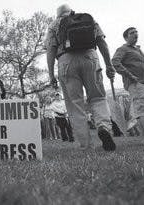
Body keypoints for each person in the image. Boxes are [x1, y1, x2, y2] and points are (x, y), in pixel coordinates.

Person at [46, 4, 116, 151]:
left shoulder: (54, 25)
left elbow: (50, 50)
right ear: (72, 12)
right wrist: (109, 65)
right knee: (97, 97)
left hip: (65, 61)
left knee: (74, 104)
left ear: (57, 15)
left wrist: (51, 74)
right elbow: (101, 42)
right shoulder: (87, 18)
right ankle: (103, 127)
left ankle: (86, 145)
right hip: (90, 57)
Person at [112, 27, 144, 144]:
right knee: (143, 109)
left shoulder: (139, 50)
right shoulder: (123, 49)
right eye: (132, 32)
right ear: (126, 37)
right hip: (136, 83)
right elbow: (115, 62)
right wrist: (130, 75)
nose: (135, 34)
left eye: (136, 32)